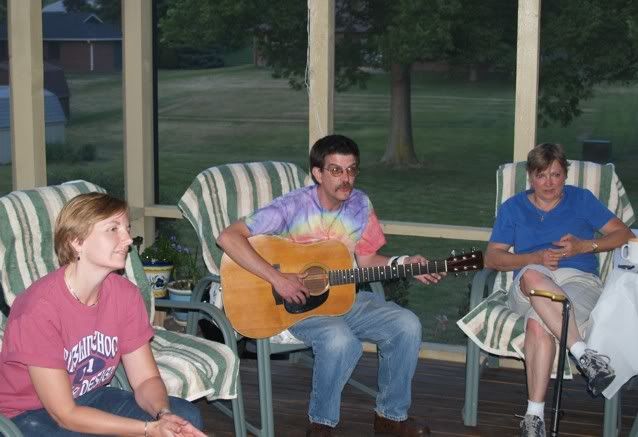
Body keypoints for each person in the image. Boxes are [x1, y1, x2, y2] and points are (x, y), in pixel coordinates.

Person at [218, 134, 439, 436]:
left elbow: (367, 260)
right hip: (295, 306)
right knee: (340, 341)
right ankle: (321, 425)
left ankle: (391, 417)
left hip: (344, 298)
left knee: (407, 324)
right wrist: (278, 278)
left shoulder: (360, 205)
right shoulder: (293, 207)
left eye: (351, 169)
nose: (345, 178)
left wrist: (404, 263)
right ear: (317, 173)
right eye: (335, 170)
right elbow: (228, 237)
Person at [0, 193, 206, 436]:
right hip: (30, 414)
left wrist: (163, 415)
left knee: (185, 417)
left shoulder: (125, 295)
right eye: (113, 229)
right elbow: (64, 414)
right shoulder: (38, 309)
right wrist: (148, 429)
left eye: (127, 228)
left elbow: (145, 380)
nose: (128, 239)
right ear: (77, 241)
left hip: (91, 395)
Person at [485, 143, 634, 437]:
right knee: (531, 277)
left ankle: (534, 416)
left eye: (556, 174)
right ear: (530, 177)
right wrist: (534, 258)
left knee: (538, 325)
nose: (549, 183)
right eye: (541, 176)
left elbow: (624, 234)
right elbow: (492, 258)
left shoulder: (582, 200)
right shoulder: (513, 208)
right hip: (530, 284)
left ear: (565, 174)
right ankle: (584, 354)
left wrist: (584, 245)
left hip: (579, 282)